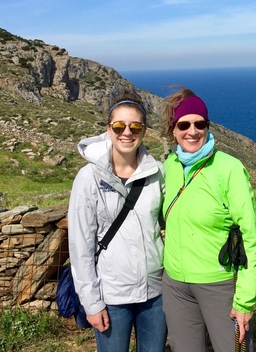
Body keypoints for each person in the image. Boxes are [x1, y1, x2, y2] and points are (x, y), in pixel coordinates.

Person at [159, 87, 256, 352]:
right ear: (174, 129)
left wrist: (245, 300)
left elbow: (250, 235)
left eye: (199, 123)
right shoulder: (170, 166)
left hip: (219, 283)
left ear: (207, 126)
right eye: (184, 124)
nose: (192, 131)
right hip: (175, 283)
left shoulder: (229, 169)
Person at [68, 92, 167, 352]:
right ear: (108, 129)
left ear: (144, 131)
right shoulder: (88, 178)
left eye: (135, 126)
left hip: (154, 291)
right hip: (111, 294)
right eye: (119, 126)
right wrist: (92, 302)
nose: (127, 132)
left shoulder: (157, 174)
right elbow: (81, 246)